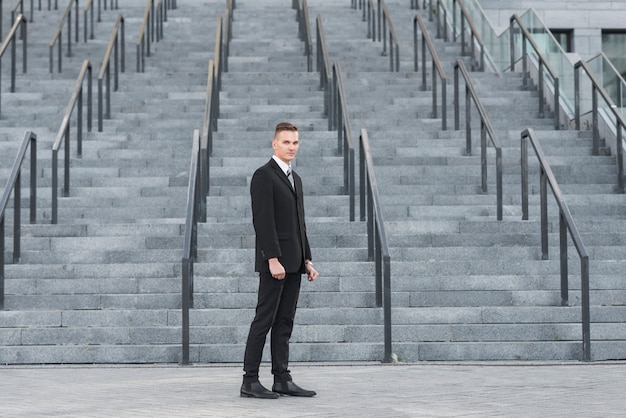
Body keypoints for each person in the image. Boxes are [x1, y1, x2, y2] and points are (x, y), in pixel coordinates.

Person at [240, 121, 319, 399]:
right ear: (274, 143)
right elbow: (263, 221)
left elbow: (300, 223)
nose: (292, 147)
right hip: (275, 264)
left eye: (295, 142)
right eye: (286, 142)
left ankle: (282, 378)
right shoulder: (264, 175)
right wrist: (272, 258)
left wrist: (306, 259)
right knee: (264, 320)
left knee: (285, 321)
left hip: (295, 263)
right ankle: (249, 381)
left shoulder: (294, 178)